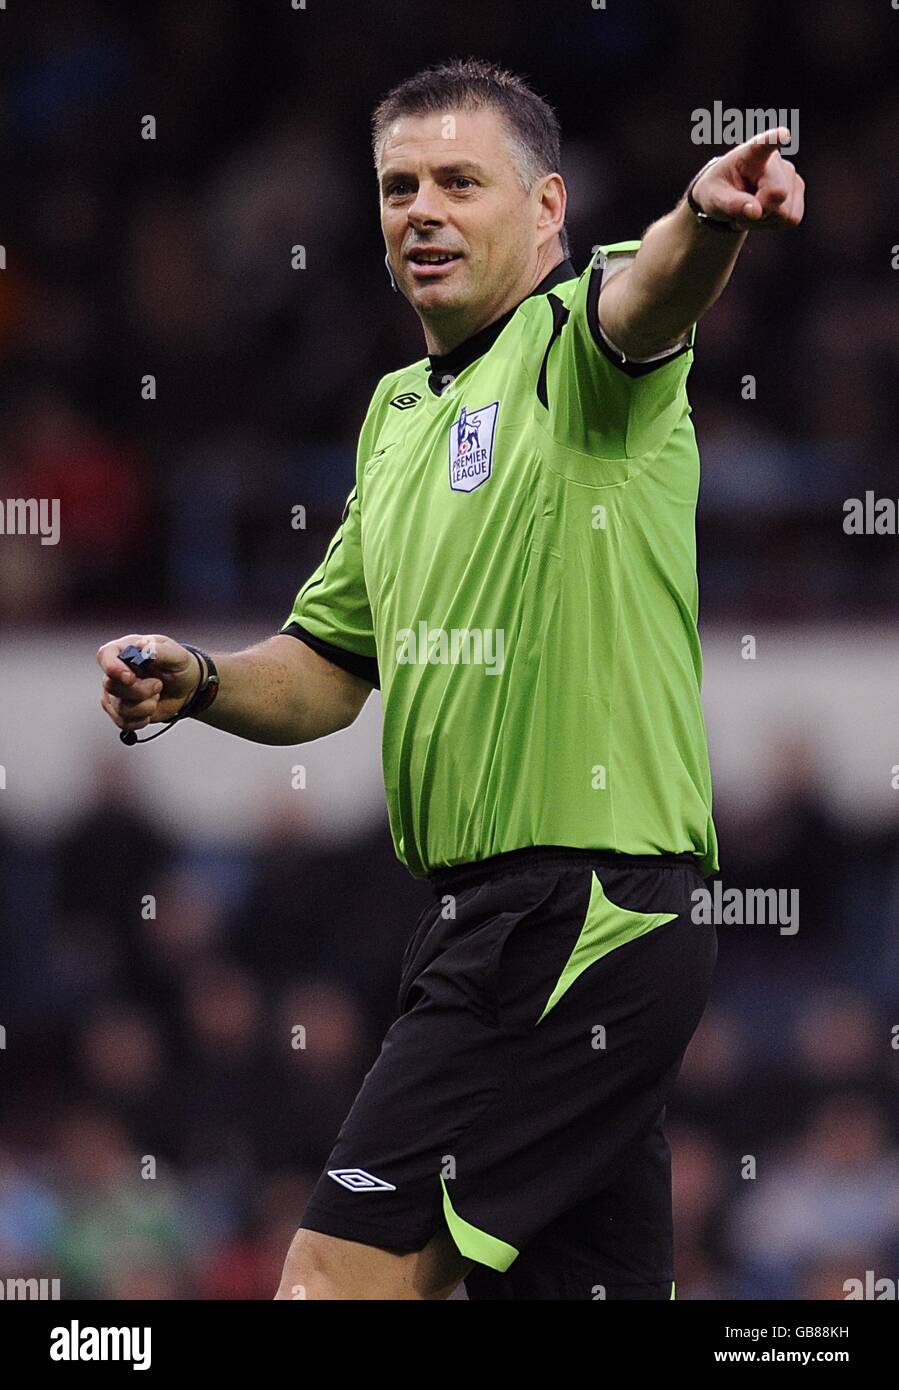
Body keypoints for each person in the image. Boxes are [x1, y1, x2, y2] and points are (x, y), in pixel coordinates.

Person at [97, 58, 805, 1300]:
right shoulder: (394, 415)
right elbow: (326, 666)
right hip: (498, 926)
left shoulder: (576, 350)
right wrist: (201, 680)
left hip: (572, 910)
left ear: (544, 209)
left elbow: (648, 302)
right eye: (396, 186)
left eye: (459, 182)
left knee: (332, 1282)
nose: (420, 208)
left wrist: (703, 218)